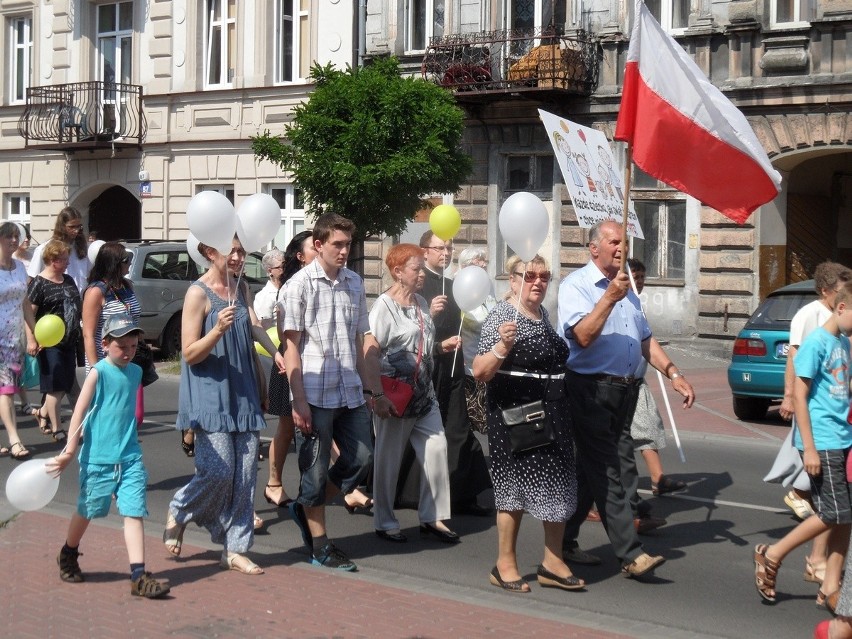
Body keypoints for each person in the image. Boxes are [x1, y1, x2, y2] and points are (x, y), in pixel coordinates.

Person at [557, 220, 695, 578]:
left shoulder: (629, 288)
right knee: (608, 470)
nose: (622, 248)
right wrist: (608, 297)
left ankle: (562, 541)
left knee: (590, 471)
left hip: (626, 392)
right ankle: (631, 554)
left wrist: (674, 374)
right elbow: (582, 337)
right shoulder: (578, 286)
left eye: (624, 243)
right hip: (590, 389)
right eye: (614, 242)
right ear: (594, 248)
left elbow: (646, 338)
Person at [163, 235, 283, 575]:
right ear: (209, 251)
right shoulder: (198, 293)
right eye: (232, 250)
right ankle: (180, 508)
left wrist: (276, 357)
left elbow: (254, 328)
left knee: (245, 475)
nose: (238, 256)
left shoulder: (241, 287)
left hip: (243, 387)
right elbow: (188, 353)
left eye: (242, 251)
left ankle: (236, 549)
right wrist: (216, 330)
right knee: (218, 471)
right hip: (209, 392)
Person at [281, 213, 387, 571]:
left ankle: (305, 506)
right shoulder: (297, 287)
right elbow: (291, 348)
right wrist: (298, 402)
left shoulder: (354, 282)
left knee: (361, 458)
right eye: (337, 244)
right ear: (318, 245)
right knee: (312, 471)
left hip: (350, 392)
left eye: (348, 244)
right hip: (313, 393)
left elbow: (360, 340)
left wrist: (371, 388)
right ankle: (321, 545)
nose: (344, 251)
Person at [474, 254, 584, 593]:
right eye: (530, 275)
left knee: (560, 485)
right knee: (514, 490)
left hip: (553, 413)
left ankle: (552, 561)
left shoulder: (542, 315)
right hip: (516, 416)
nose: (538, 282)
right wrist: (502, 346)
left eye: (544, 276)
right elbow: (480, 371)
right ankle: (504, 563)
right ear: (513, 279)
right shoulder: (502, 314)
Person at [47, 314, 170, 598]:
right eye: (121, 346)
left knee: (134, 510)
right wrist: (69, 450)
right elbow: (79, 411)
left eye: (132, 345)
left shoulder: (136, 373)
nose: (127, 352)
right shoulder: (98, 372)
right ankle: (68, 552)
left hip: (129, 458)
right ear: (105, 344)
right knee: (89, 509)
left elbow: (130, 409)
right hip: (98, 459)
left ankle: (139, 575)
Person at [753, 280, 852, 607]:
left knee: (844, 515)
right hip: (822, 438)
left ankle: (830, 586)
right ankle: (772, 554)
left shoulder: (844, 343)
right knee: (832, 513)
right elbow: (800, 393)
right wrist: (808, 447)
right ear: (840, 308)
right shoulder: (817, 343)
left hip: (842, 437)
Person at [396, 230, 491, 516]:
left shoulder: (454, 284)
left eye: (449, 248)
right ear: (425, 251)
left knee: (458, 428)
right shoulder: (416, 285)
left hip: (454, 366)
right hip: (427, 367)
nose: (446, 253)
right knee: (421, 431)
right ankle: (407, 491)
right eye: (440, 248)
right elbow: (406, 332)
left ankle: (463, 494)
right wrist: (432, 317)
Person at [370, 243, 458, 544]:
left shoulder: (421, 302)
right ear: (397, 272)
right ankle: (384, 519)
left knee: (437, 449)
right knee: (388, 459)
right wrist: (375, 394)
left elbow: (421, 346)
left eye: (422, 267)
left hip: (424, 394)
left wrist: (441, 347)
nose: (422, 273)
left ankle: (432, 517)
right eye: (416, 268)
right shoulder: (383, 306)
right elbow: (371, 351)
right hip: (395, 396)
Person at [261, 233, 315, 507]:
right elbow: (284, 334)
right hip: (291, 362)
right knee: (285, 427)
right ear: (300, 256)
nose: (321, 248)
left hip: (318, 365)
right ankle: (273, 483)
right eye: (313, 245)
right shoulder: (290, 288)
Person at [627, 258, 687, 497]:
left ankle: (657, 479)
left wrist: (673, 372)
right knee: (610, 443)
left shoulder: (637, 304)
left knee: (649, 426)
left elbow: (646, 341)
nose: (639, 281)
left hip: (636, 381)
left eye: (642, 277)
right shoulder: (614, 301)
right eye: (635, 276)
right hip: (612, 382)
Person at [27, 239, 83, 442]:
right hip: (49, 343)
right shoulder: (39, 283)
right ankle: (57, 427)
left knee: (68, 384)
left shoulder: (68, 279)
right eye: (63, 259)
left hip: (69, 341)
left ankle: (43, 412)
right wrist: (31, 340)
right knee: (56, 387)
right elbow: (29, 314)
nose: (68, 262)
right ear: (51, 260)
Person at [81, 242, 144, 414]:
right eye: (126, 259)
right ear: (113, 263)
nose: (130, 263)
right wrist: (97, 370)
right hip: (105, 360)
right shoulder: (96, 291)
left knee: (130, 412)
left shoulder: (126, 286)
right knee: (105, 412)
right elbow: (88, 335)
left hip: (128, 357)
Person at [0, 222, 38, 459]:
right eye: (8, 237)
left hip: (13, 338)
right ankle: (15, 440)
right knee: (6, 390)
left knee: (7, 389)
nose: (14, 240)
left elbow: (24, 303)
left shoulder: (19, 268)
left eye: (17, 236)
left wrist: (33, 333)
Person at [457, 246, 496, 434]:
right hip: (469, 364)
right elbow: (475, 320)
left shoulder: (487, 286)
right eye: (477, 261)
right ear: (465, 267)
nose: (482, 265)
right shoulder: (460, 286)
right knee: (474, 417)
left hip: (488, 360)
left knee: (487, 419)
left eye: (484, 261)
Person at [27, 206, 90, 293]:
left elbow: (88, 276)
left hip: (79, 301)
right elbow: (32, 279)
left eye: (78, 226)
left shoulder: (83, 248)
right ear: (62, 226)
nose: (76, 231)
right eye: (71, 227)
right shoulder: (44, 249)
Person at [253, 248, 286, 331]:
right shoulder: (264, 296)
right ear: (270, 271)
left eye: (286, 265)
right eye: (281, 267)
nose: (285, 269)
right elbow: (264, 327)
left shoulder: (288, 288)